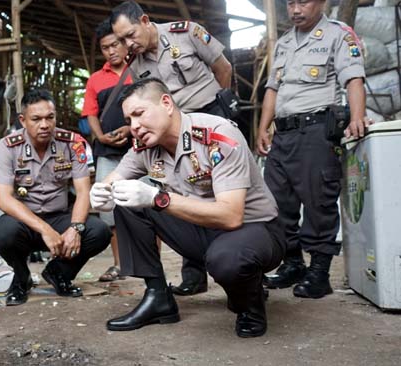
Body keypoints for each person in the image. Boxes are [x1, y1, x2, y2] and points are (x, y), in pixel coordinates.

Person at [90, 78, 285, 337]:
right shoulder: (146, 145)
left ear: (167, 103)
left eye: (139, 114)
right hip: (203, 231)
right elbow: (114, 180)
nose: (134, 127)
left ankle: (250, 303)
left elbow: (231, 216)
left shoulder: (217, 135)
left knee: (227, 261)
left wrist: (157, 198)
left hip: (254, 231)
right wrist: (101, 192)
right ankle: (158, 296)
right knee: (126, 199)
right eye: (129, 121)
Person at [110, 0, 234, 295]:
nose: (128, 44)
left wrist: (221, 113)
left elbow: (223, 69)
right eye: (121, 40)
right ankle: (194, 274)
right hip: (174, 135)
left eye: (130, 35)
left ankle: (242, 270)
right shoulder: (137, 66)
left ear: (144, 20)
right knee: (178, 194)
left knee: (223, 192)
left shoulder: (187, 32)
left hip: (210, 118)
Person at [256, 0, 369, 299]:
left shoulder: (338, 34)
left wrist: (357, 116)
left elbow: (353, 78)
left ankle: (319, 272)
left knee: (318, 199)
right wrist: (263, 127)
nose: (295, 9)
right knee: (275, 202)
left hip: (317, 129)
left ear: (322, 2)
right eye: (290, 2)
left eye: (303, 1)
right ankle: (293, 263)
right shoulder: (283, 42)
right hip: (283, 133)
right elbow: (272, 89)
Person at [0, 89, 111, 306]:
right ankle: (21, 278)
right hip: (25, 222)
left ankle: (59, 273)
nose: (45, 125)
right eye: (36, 119)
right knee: (4, 232)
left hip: (60, 218)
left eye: (50, 117)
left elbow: (84, 191)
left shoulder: (73, 143)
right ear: (23, 120)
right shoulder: (7, 147)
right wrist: (45, 230)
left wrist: (75, 228)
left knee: (99, 231)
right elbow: (4, 199)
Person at [82, 18, 133, 282]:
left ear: (125, 43)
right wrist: (100, 135)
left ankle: (151, 263)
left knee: (150, 203)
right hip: (107, 152)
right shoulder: (95, 80)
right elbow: (90, 113)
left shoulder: (140, 70)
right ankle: (119, 264)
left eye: (115, 44)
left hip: (140, 150)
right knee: (109, 207)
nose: (111, 51)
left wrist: (130, 129)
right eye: (105, 47)